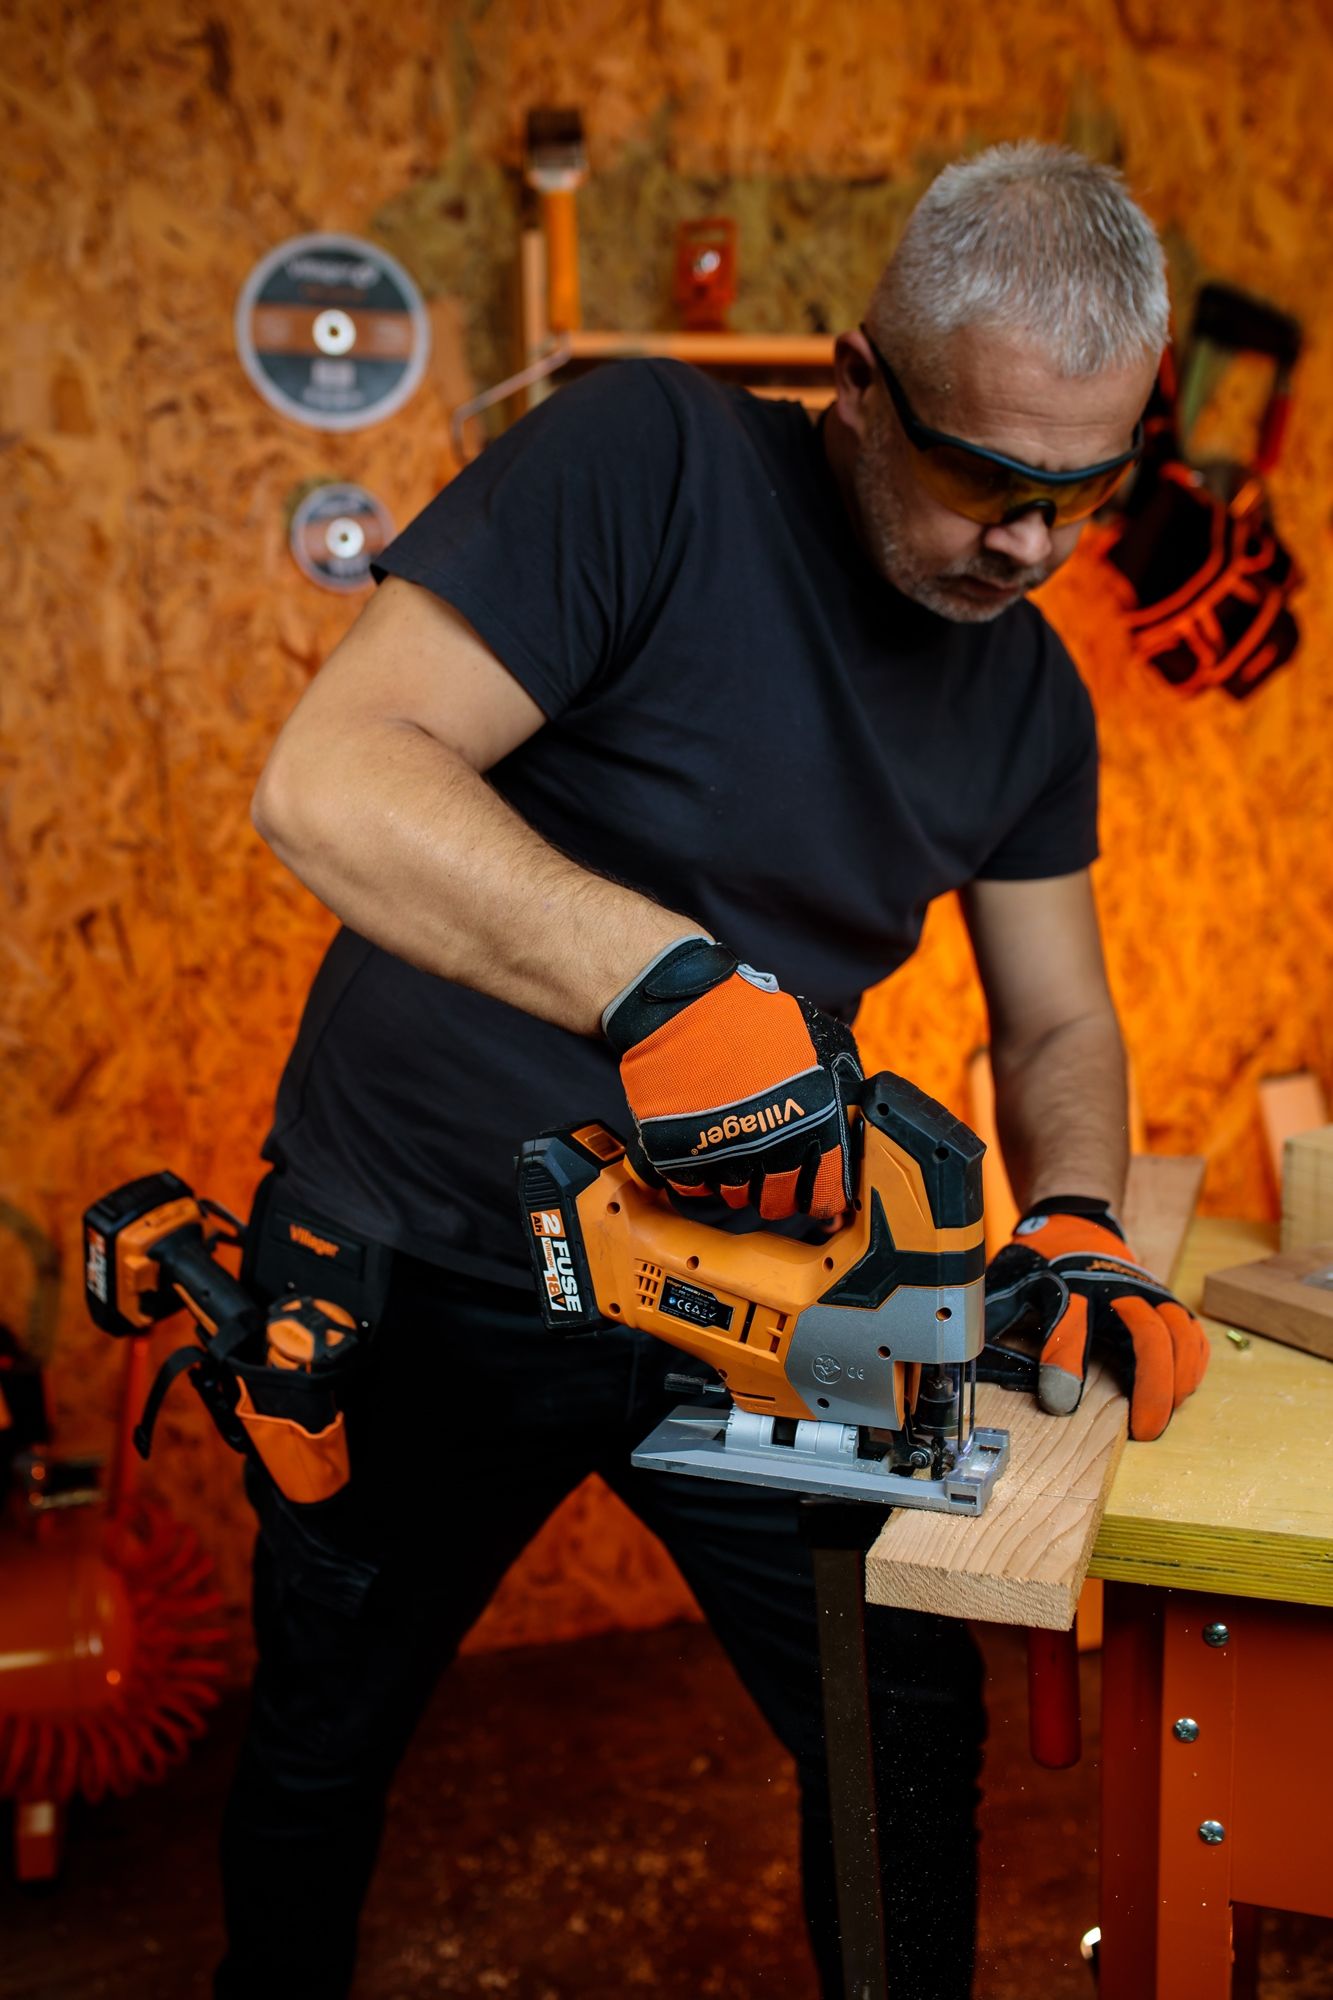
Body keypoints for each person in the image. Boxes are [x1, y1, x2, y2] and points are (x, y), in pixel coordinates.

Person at [216, 142, 1209, 2000]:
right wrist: (664, 987)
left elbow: (1058, 1021)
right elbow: (331, 775)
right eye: (985, 478)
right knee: (322, 1739)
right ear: (857, 382)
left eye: (1082, 489)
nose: (1032, 545)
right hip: (425, 1248)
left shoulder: (1029, 693)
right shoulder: (645, 459)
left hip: (761, 1286)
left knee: (901, 1723)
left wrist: (1073, 1218)